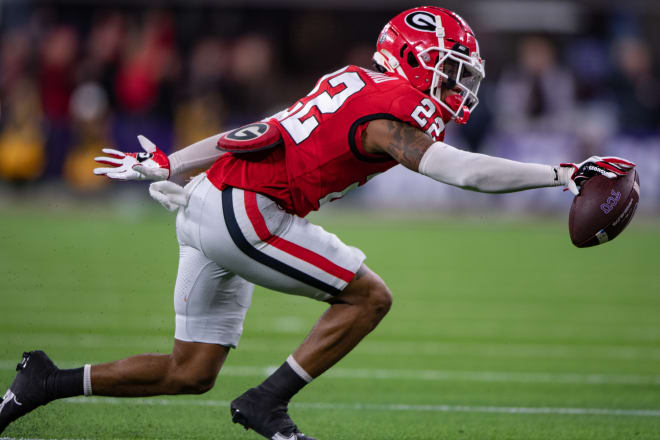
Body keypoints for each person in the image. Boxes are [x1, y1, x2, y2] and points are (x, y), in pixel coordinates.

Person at [0, 6, 635, 440]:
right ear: (414, 59)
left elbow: (256, 133)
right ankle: (267, 402)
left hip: (212, 201)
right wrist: (563, 174)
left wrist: (172, 162)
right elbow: (461, 173)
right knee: (370, 297)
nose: (458, 85)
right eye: (450, 69)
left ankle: (46, 381)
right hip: (247, 214)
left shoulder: (351, 81)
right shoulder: (389, 107)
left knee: (189, 372)